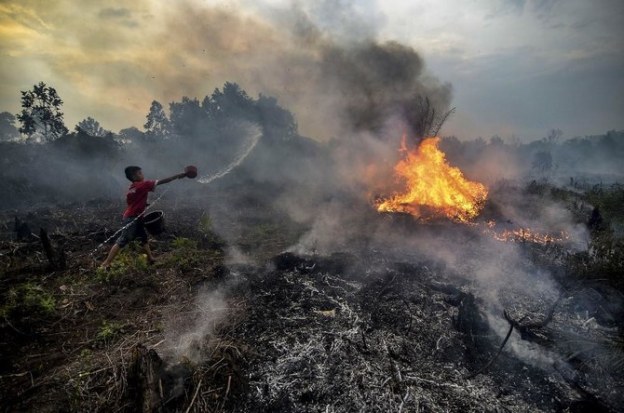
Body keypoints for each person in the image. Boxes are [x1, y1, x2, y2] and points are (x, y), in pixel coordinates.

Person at [100, 166, 189, 269]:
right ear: (134, 176)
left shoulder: (132, 188)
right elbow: (163, 181)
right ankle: (106, 263)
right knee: (123, 239)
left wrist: (143, 204)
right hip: (132, 218)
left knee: (143, 238)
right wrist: (178, 175)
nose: (142, 174)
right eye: (139, 173)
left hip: (134, 216)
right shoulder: (143, 184)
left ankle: (150, 258)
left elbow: (131, 201)